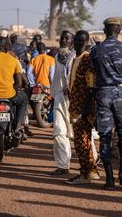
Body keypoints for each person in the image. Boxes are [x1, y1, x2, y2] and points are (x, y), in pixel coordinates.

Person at [90, 17, 122, 190]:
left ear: (104, 30)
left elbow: (93, 68)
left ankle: (109, 179)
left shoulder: (96, 49)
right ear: (119, 30)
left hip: (103, 93)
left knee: (105, 136)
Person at [65, 30, 100, 184]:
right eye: (77, 40)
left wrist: (85, 110)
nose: (79, 43)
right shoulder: (75, 59)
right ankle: (88, 172)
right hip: (75, 105)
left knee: (82, 142)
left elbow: (91, 86)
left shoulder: (87, 59)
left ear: (86, 42)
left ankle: (87, 173)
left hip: (83, 108)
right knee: (81, 141)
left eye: (82, 41)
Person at [49, 30, 76, 176]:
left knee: (81, 133)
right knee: (59, 132)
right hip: (59, 98)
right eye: (62, 38)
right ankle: (63, 166)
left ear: (72, 41)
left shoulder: (76, 57)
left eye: (67, 38)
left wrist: (71, 85)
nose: (64, 41)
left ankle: (92, 161)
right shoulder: (56, 57)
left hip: (73, 101)